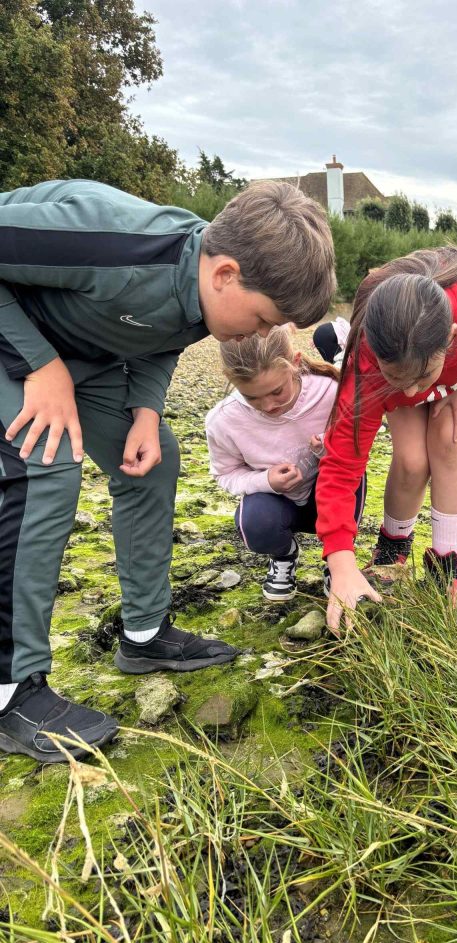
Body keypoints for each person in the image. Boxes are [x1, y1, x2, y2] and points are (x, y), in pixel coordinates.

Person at [0, 178, 336, 762]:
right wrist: (40, 365)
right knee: (47, 463)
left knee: (153, 462)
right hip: (19, 344)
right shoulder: (111, 243)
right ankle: (10, 692)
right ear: (225, 274)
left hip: (85, 356)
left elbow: (165, 334)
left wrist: (146, 410)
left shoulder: (203, 291)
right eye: (262, 320)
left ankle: (144, 634)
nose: (260, 337)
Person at [315, 246, 457, 633]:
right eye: (402, 379)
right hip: (402, 371)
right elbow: (341, 466)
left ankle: (448, 563)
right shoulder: (367, 365)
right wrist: (340, 559)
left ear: (450, 338)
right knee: (413, 460)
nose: (417, 391)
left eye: (421, 378)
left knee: (452, 437)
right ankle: (393, 547)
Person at [206, 325, 365, 601]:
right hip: (278, 503)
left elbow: (358, 450)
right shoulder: (223, 420)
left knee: (352, 482)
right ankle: (285, 554)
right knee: (253, 523)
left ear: (295, 362)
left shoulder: (330, 392)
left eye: (277, 392)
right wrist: (266, 480)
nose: (268, 406)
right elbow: (225, 474)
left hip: (326, 494)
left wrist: (328, 451)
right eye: (252, 397)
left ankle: (337, 561)